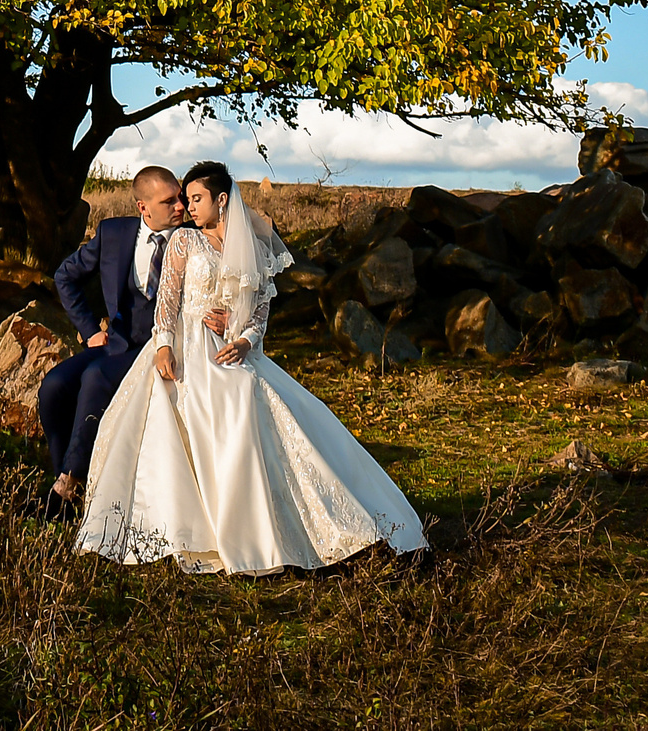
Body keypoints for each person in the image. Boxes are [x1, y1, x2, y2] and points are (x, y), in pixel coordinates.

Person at [74, 160, 428, 574]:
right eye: (186, 199)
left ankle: (268, 529)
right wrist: (164, 347)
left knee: (249, 402)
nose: (188, 207)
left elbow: (259, 310)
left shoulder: (250, 245)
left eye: (196, 198)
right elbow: (167, 304)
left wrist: (242, 336)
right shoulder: (184, 243)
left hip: (231, 351)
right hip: (185, 350)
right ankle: (192, 530)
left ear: (222, 200)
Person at [38, 166, 190, 513]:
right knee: (54, 387)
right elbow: (66, 277)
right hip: (116, 344)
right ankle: (66, 480)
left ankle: (65, 489)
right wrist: (90, 330)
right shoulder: (114, 233)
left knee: (96, 378)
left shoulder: (193, 239)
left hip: (163, 347)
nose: (180, 206)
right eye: (170, 201)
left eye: (180, 197)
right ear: (143, 207)